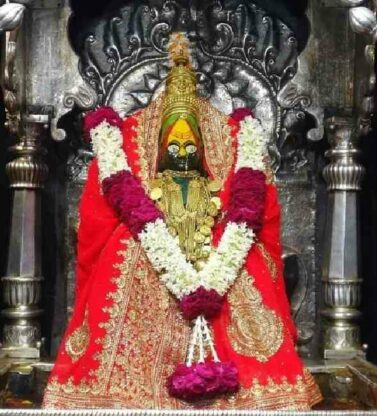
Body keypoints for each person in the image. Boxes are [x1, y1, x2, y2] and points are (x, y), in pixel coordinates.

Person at [42, 33, 322, 410]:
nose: (183, 154)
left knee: (244, 270)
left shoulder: (226, 170)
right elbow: (98, 222)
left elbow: (257, 212)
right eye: (173, 148)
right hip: (148, 262)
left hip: (219, 260)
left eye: (191, 148)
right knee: (126, 255)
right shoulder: (133, 165)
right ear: (158, 150)